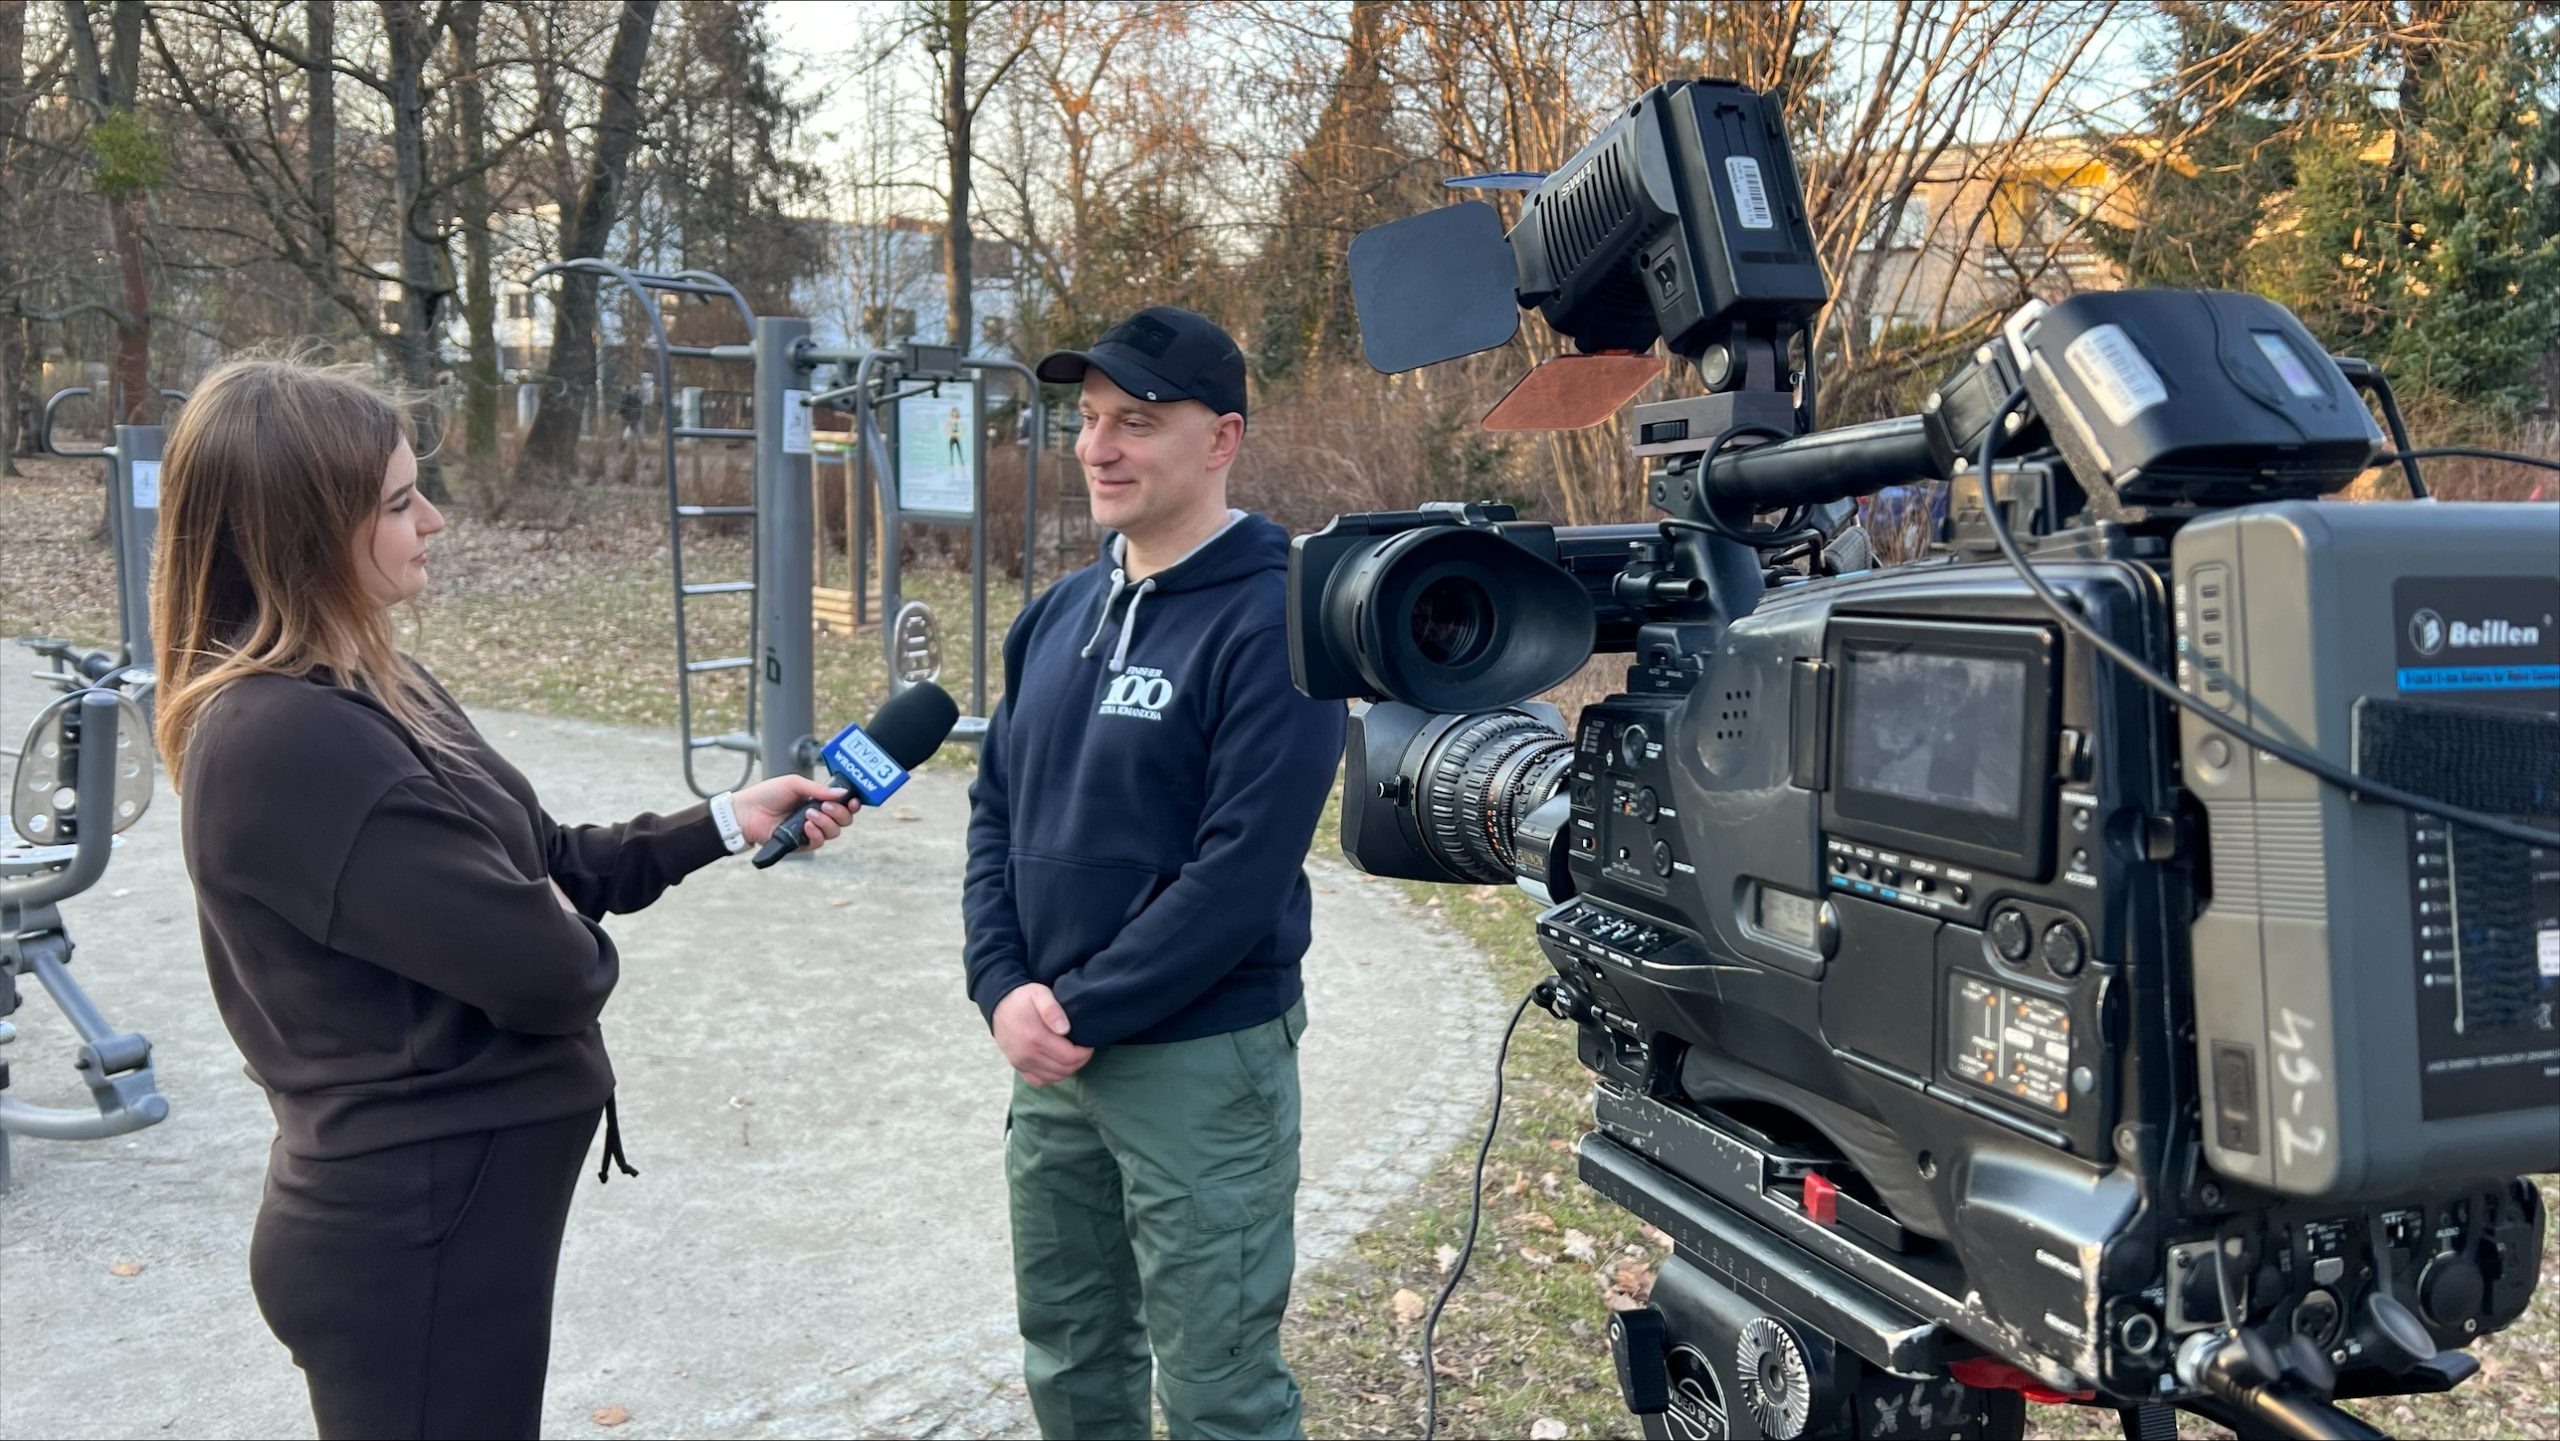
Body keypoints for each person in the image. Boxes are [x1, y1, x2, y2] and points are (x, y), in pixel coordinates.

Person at [150, 357, 858, 1440]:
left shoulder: (373, 681)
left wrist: (726, 820)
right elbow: (550, 972)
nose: (432, 519)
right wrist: (569, 943)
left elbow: (548, 858)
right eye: (395, 503)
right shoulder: (287, 741)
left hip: (453, 1227)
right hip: (406, 1237)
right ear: (300, 530)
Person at [963, 306, 1347, 1441]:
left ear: (1221, 439)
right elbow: (993, 813)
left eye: (1137, 421)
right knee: (1072, 1364)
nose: (1097, 448)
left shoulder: (1281, 618)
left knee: (1219, 1392)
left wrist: (1076, 1004)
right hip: (1049, 1060)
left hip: (1198, 1064)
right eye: (1086, 420)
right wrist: (1000, 989)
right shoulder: (1056, 615)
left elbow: (1238, 876)